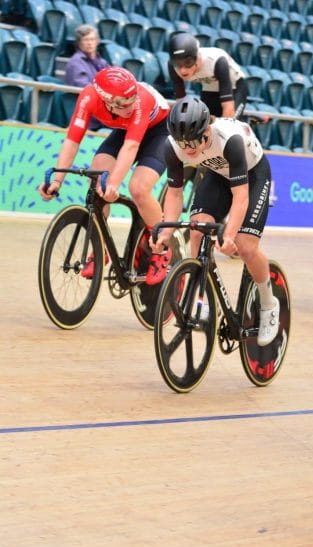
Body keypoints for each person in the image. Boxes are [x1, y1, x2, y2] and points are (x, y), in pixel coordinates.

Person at [151, 97, 280, 346]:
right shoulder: (173, 146)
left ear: (206, 131)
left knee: (244, 245)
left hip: (253, 175)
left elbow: (241, 196)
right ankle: (204, 299)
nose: (187, 148)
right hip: (217, 173)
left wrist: (229, 233)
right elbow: (175, 194)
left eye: (191, 141)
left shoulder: (229, 140)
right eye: (181, 142)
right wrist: (166, 232)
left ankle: (268, 302)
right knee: (197, 227)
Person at [38, 66, 172, 284]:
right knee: (97, 177)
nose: (129, 106)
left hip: (159, 132)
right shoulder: (88, 97)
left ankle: (162, 248)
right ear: (106, 100)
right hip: (124, 130)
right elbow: (72, 140)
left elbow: (130, 148)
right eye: (123, 104)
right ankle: (99, 247)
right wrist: (57, 180)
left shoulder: (140, 101)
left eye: (131, 100)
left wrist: (114, 184)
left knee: (138, 187)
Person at [168, 32, 248, 118]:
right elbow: (181, 102)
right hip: (209, 87)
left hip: (235, 87)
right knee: (204, 124)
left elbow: (228, 107)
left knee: (231, 124)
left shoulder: (217, 61)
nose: (183, 70)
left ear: (198, 57)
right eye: (177, 63)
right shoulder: (172, 66)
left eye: (188, 62)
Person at [64, 24, 109, 130]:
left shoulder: (101, 62)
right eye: (86, 40)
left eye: (92, 39)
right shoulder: (75, 62)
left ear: (97, 41)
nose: (89, 43)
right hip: (88, 113)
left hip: (103, 107)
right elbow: (84, 88)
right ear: (79, 43)